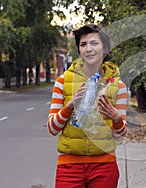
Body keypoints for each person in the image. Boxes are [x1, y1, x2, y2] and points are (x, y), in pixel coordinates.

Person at [47, 23, 128, 188]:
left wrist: (116, 118)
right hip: (69, 166)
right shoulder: (63, 82)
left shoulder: (118, 86)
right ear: (79, 50)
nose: (88, 49)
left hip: (104, 165)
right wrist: (70, 105)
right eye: (83, 44)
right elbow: (52, 128)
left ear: (104, 48)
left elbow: (120, 136)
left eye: (94, 43)